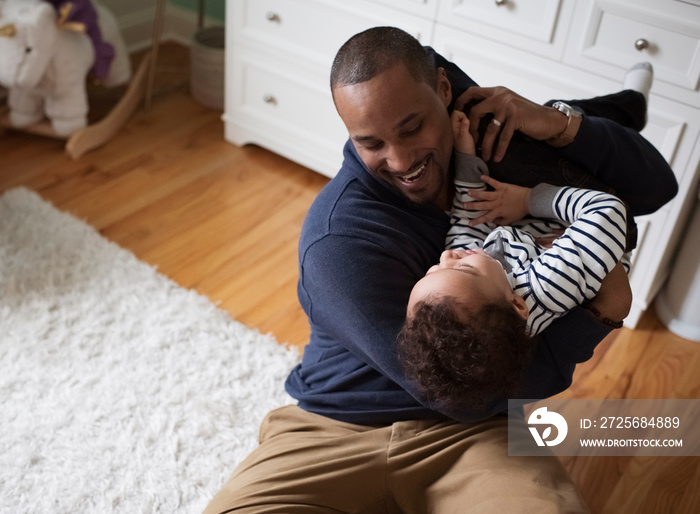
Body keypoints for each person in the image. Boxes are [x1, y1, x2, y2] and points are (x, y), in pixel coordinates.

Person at [203, 26, 677, 513]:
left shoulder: (486, 136)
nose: (402, 160)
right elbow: (462, 390)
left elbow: (656, 187)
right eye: (372, 143)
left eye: (412, 128)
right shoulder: (339, 245)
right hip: (337, 425)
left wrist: (556, 124)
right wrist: (600, 314)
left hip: (473, 432)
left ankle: (620, 104)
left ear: (444, 91)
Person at [396, 109, 630, 412]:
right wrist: (528, 200)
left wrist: (465, 156)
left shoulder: (482, 297)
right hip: (602, 234)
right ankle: (622, 117)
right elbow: (608, 212)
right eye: (462, 266)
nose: (446, 255)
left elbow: (468, 224)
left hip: (535, 233)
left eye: (432, 270)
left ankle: (626, 108)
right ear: (518, 305)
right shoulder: (545, 288)